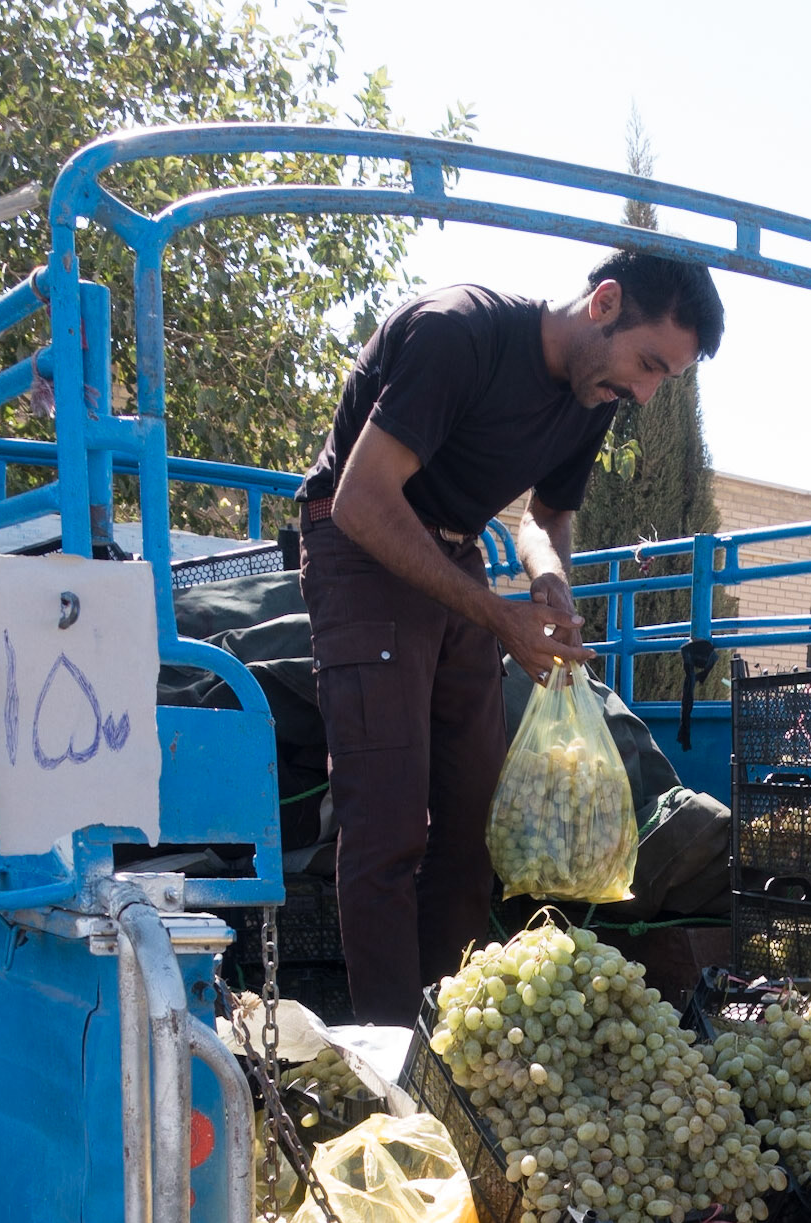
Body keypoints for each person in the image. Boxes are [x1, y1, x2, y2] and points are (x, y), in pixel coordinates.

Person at [297, 251, 725, 1024]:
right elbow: (361, 499)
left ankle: (455, 1034)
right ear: (604, 303)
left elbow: (545, 517)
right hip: (359, 549)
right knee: (388, 826)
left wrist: (547, 578)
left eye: (665, 380)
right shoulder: (457, 333)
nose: (644, 393)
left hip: (454, 557)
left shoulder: (593, 393)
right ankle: (392, 1057)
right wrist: (498, 615)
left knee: (471, 828)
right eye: (648, 365)